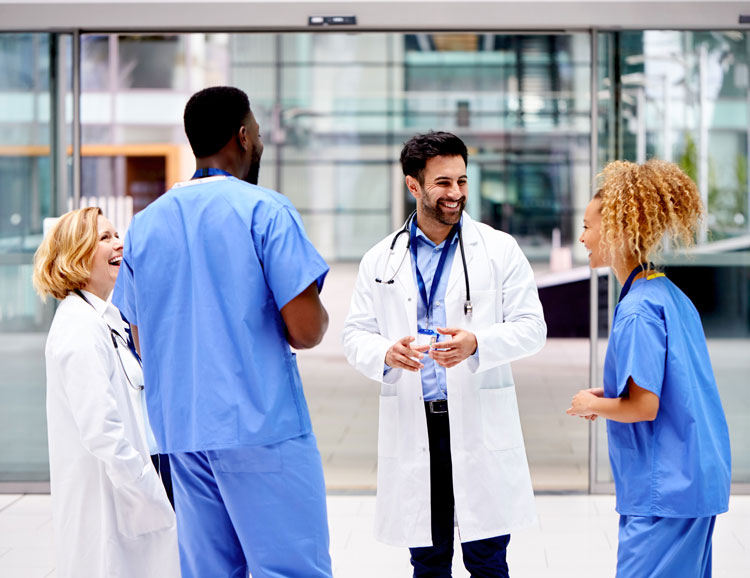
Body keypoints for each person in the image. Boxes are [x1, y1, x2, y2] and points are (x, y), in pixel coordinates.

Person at [112, 86, 333, 578]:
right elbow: (306, 330)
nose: (257, 140)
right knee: (290, 570)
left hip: (183, 433)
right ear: (243, 135)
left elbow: (143, 342)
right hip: (262, 430)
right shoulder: (264, 210)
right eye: (255, 131)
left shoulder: (145, 226)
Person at [342, 131, 546, 577]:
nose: (456, 194)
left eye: (462, 181)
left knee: (488, 558)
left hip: (476, 418)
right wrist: (385, 352)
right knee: (428, 560)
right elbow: (355, 334)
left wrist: (478, 343)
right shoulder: (381, 259)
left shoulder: (498, 250)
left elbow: (533, 328)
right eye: (443, 183)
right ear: (414, 186)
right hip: (420, 422)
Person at [568, 159, 732, 577]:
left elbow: (644, 407)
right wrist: (609, 398)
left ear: (621, 230)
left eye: (589, 226)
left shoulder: (638, 310)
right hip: (693, 480)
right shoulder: (667, 293)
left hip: (665, 493)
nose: (583, 237)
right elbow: (675, 386)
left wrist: (591, 401)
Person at [32, 207, 180, 578]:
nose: (119, 243)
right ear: (77, 253)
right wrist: (148, 490)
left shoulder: (106, 319)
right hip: (115, 498)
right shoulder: (77, 330)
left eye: (117, 235)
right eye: (105, 237)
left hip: (136, 488)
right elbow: (103, 433)